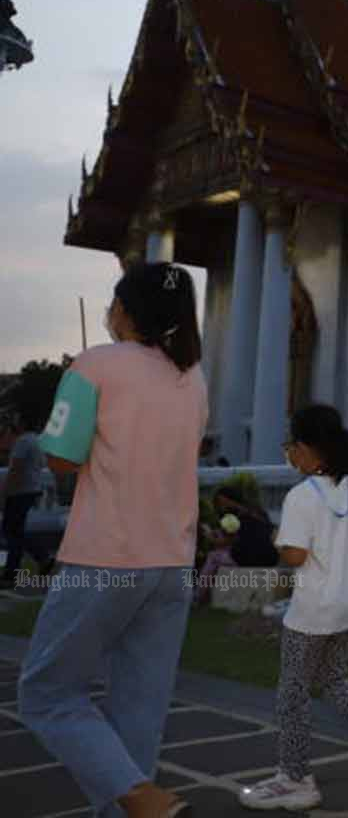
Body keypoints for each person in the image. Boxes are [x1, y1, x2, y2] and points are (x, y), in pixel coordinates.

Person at [19, 262, 208, 818]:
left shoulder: (95, 363)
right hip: (171, 563)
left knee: (48, 693)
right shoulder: (193, 378)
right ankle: (139, 798)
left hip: (105, 557)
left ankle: (142, 798)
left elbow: (61, 458)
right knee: (139, 715)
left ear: (125, 311)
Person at [239, 404, 348, 811]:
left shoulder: (302, 496)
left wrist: (280, 539)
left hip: (313, 611)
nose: (290, 454)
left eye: (292, 446)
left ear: (309, 449)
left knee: (293, 692)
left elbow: (295, 555)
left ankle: (295, 778)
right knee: (334, 678)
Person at [195, 484, 279, 606]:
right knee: (225, 553)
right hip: (271, 557)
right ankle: (207, 595)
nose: (219, 505)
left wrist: (207, 535)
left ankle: (198, 596)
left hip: (249, 558)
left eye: (219, 501)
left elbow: (224, 542)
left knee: (213, 557)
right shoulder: (257, 510)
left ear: (226, 499)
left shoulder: (233, 515)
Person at [2, 411, 55, 587]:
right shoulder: (37, 440)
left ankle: (11, 575)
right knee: (16, 531)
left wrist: (5, 492)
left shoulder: (23, 442)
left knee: (12, 532)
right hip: (31, 489)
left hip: (19, 492)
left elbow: (15, 469)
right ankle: (43, 557)